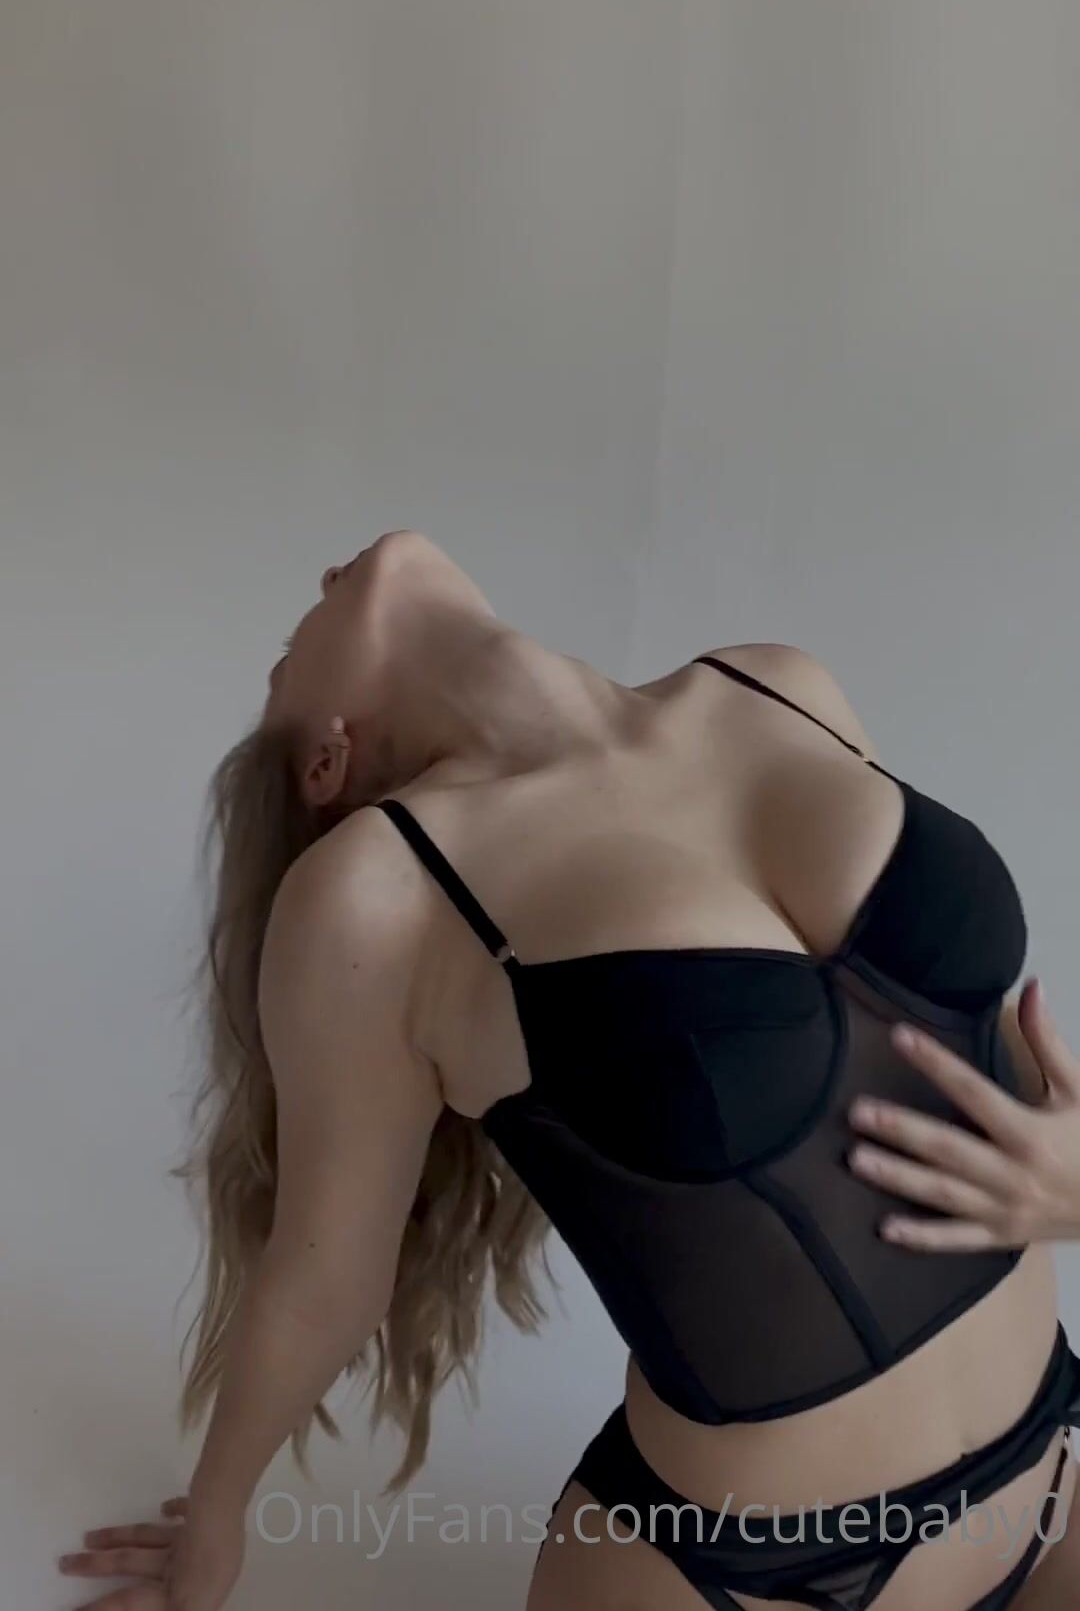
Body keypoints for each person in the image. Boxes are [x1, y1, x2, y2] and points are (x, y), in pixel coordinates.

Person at [55, 530, 1080, 1609]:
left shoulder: (774, 684)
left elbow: (935, 1038)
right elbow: (324, 1280)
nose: (320, 581)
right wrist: (213, 1530)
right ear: (326, 761)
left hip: (1050, 1471)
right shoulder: (377, 899)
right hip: (741, 1574)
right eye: (287, 648)